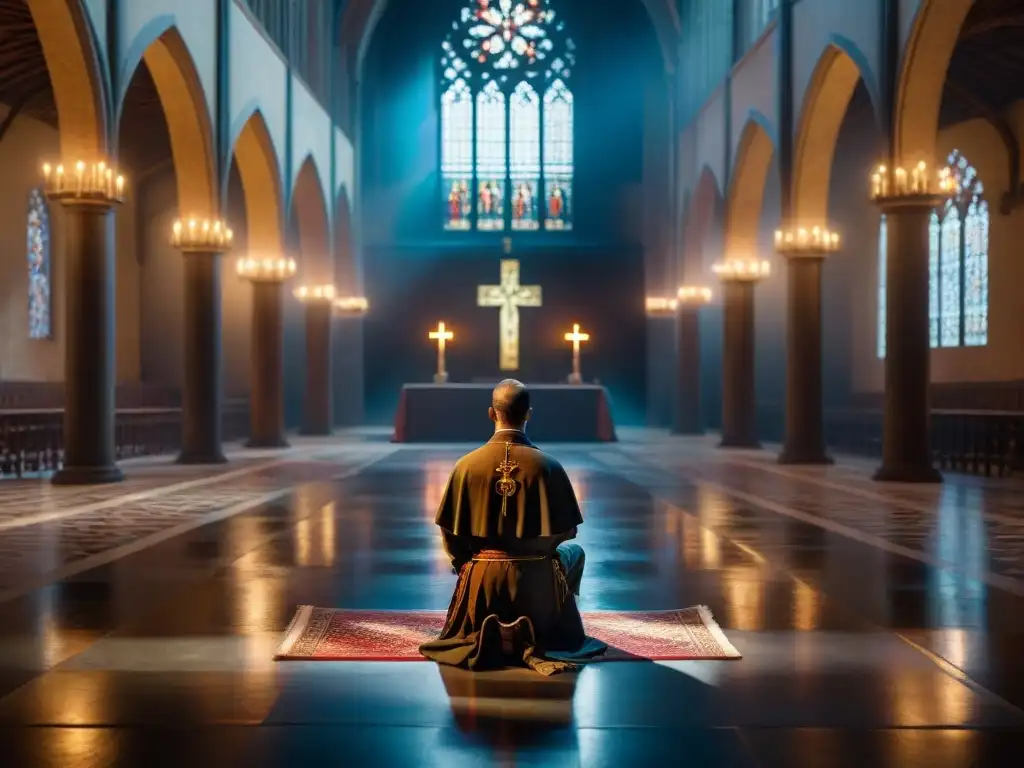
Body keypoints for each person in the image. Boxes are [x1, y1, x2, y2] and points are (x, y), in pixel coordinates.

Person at [419, 380, 607, 674]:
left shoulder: (466, 466)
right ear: (528, 414)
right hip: (536, 580)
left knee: (472, 564)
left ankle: (492, 628)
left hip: (482, 580)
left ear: (491, 414)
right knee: (575, 552)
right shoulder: (549, 466)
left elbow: (449, 532)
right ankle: (550, 623)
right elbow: (567, 532)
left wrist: (465, 564)